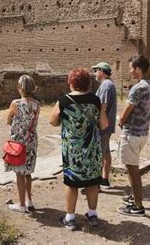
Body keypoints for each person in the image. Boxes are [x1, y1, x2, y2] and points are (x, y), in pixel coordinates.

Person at [49, 68, 108, 230]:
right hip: (92, 149)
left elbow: (53, 121)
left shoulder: (64, 101)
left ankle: (70, 218)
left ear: (71, 83)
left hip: (72, 151)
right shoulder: (95, 100)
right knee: (92, 182)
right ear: (88, 83)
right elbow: (104, 124)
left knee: (71, 183)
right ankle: (92, 214)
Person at [117, 55, 150, 216]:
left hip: (132, 133)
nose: (130, 71)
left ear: (138, 69)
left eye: (131, 68)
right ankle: (134, 197)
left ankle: (138, 206)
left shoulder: (137, 88)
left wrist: (121, 121)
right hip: (143, 132)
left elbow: (126, 111)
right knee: (133, 167)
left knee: (133, 170)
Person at [4, 75, 40, 213]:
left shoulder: (16, 103)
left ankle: (22, 205)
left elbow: (8, 120)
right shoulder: (37, 104)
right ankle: (29, 200)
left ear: (21, 88)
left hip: (19, 141)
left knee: (19, 173)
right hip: (32, 140)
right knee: (28, 172)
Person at [92, 62, 117, 189]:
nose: (94, 73)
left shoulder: (106, 85)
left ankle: (95, 185)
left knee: (99, 155)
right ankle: (104, 179)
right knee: (106, 152)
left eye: (96, 70)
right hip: (106, 125)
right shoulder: (107, 84)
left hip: (103, 126)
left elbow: (103, 106)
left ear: (101, 71)